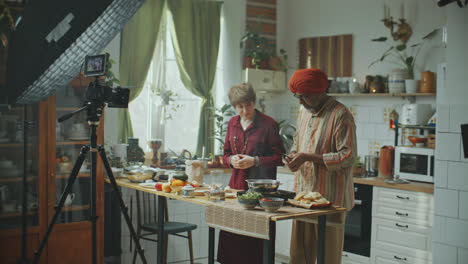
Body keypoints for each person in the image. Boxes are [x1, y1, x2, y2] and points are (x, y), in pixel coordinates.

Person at [283, 68, 356, 264]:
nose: (300, 101)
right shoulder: (303, 112)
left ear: (320, 92)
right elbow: (297, 145)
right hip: (303, 197)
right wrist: (292, 158)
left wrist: (307, 157)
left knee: (327, 257)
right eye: (297, 96)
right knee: (299, 255)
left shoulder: (341, 115)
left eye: (305, 96)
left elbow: (347, 157)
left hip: (331, 200)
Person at [217, 82, 285, 264]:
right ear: (234, 107)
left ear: (254, 102)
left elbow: (279, 157)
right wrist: (231, 160)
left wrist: (254, 161)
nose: (245, 110)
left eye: (248, 105)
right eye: (240, 107)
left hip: (261, 192)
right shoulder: (232, 123)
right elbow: (225, 155)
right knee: (231, 235)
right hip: (236, 187)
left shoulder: (268, 124)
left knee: (254, 242)